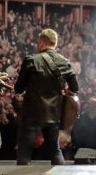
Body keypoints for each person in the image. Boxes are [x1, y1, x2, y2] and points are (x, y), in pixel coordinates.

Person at [14, 28, 79, 165]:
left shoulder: (31, 60)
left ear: (42, 42)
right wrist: (65, 90)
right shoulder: (65, 62)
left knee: (24, 152)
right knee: (55, 151)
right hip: (53, 114)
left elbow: (18, 89)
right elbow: (75, 88)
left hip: (32, 115)